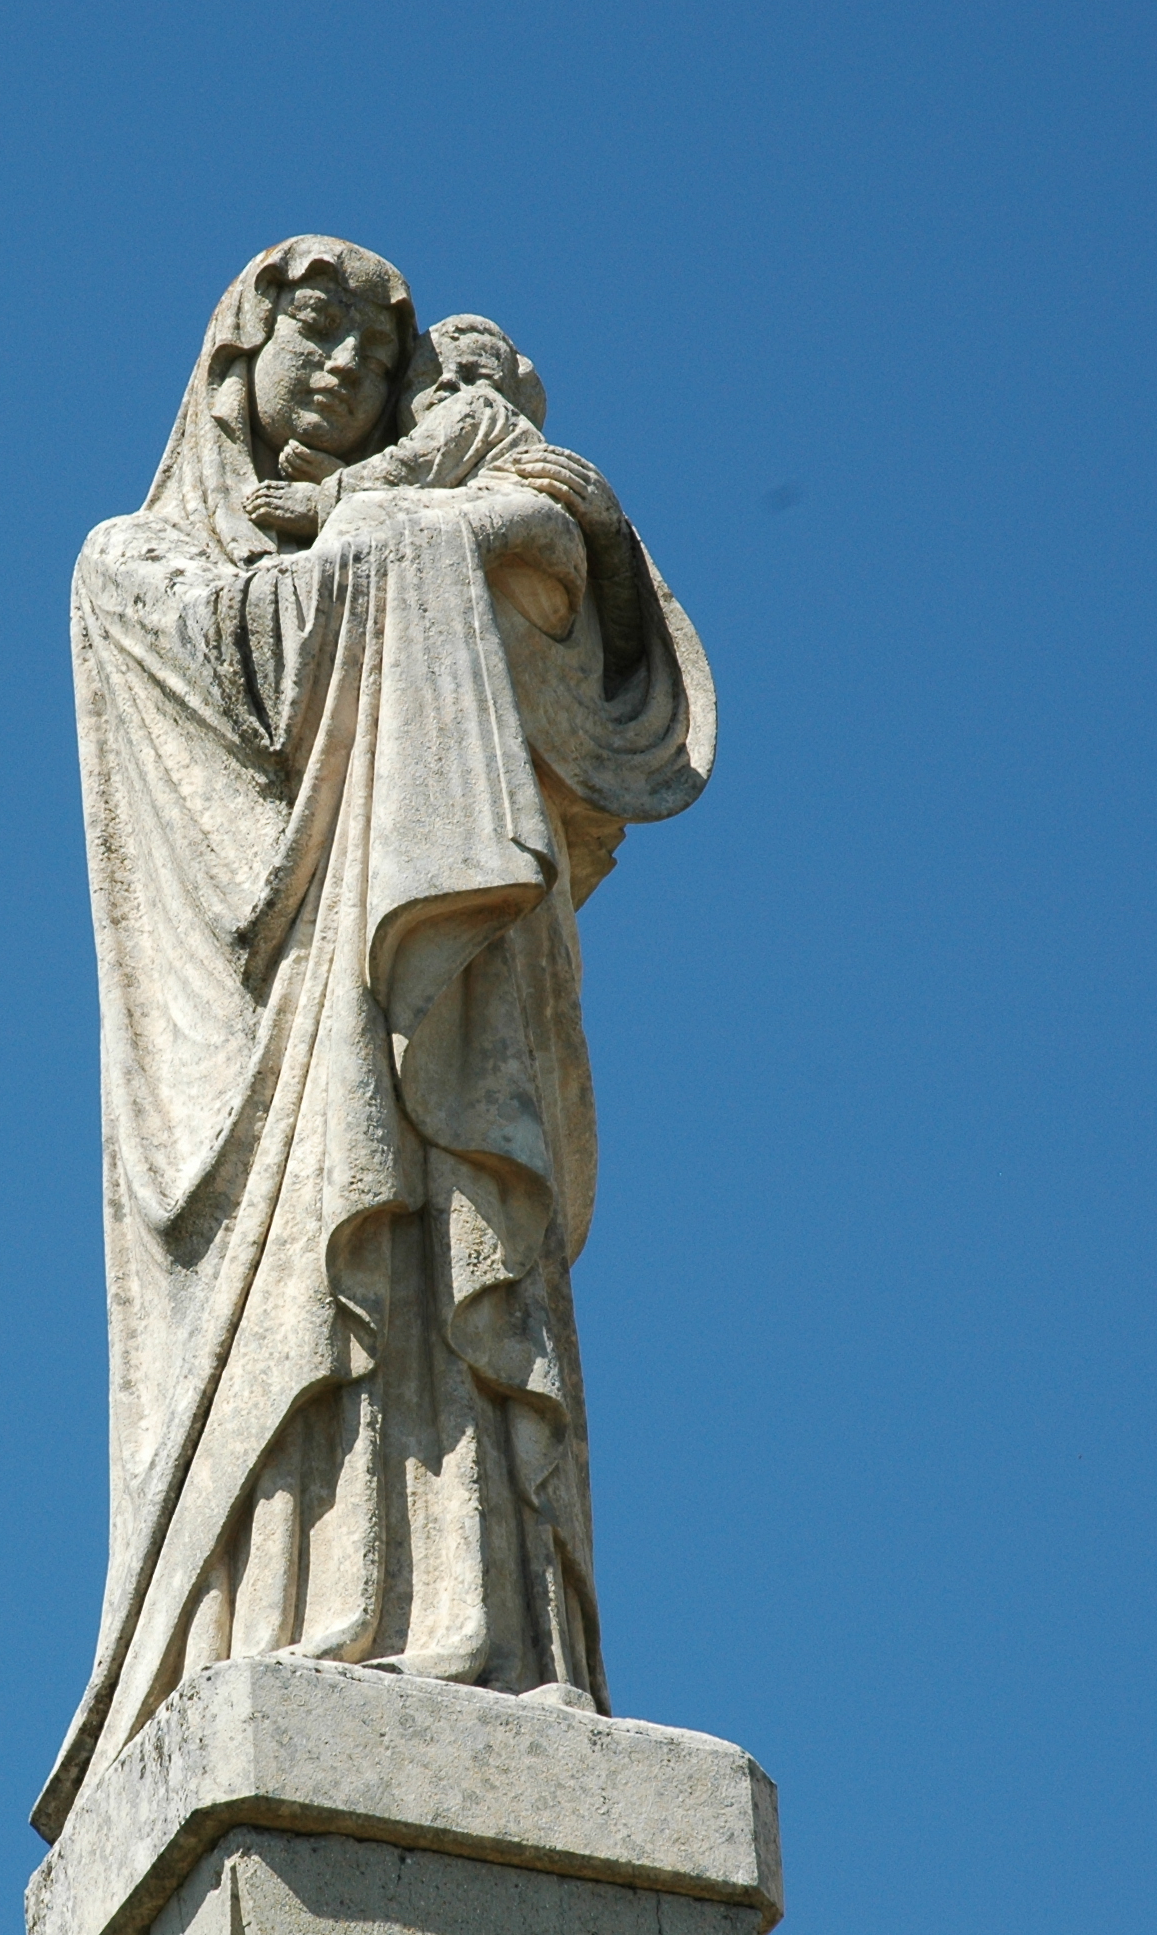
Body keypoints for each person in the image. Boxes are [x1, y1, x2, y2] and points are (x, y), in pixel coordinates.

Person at [38, 237, 716, 1843]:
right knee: (317, 1309)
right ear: (233, 361)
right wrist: (443, 501)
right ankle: (283, 1610)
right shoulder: (129, 569)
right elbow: (259, 662)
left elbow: (577, 626)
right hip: (273, 1059)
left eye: (372, 347)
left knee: (448, 1259)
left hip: (437, 1015)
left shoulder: (385, 521)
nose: (342, 366)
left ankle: (488, 1628)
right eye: (313, 334)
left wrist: (483, 497)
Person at [241, 313, 550, 542]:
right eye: (427, 376)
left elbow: (413, 466)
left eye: (476, 373)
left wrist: (322, 498)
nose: (448, 382)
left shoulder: (482, 407)